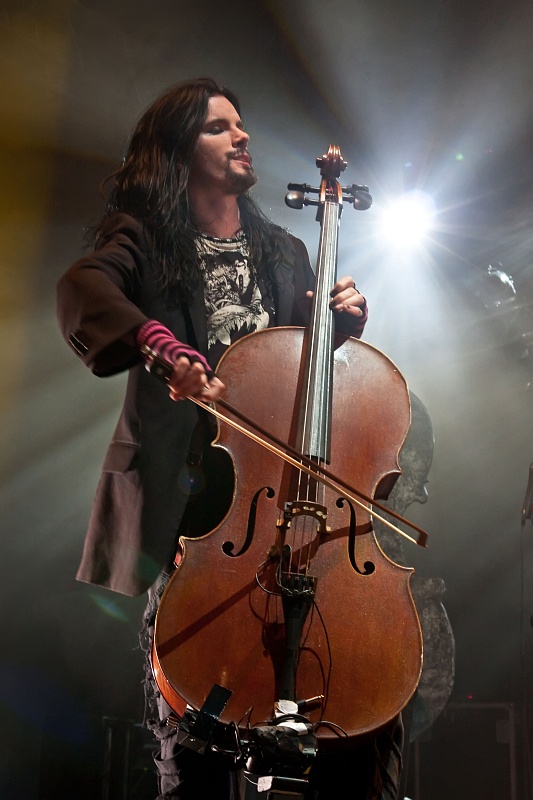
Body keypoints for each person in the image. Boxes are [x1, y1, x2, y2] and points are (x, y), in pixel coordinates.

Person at [57, 78, 402, 799]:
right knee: (194, 745)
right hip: (195, 523)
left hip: (280, 515)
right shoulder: (145, 237)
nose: (240, 136)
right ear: (181, 152)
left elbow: (304, 381)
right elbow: (85, 287)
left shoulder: (280, 249)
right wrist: (160, 345)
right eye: (219, 127)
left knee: (354, 745)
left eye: (241, 124)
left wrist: (338, 329)